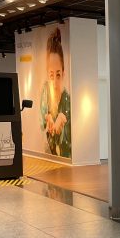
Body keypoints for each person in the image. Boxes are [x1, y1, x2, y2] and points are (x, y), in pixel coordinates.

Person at [39, 26, 71, 158]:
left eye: (58, 75)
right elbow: (43, 115)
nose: (54, 82)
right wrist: (47, 117)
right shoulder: (46, 89)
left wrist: (63, 117)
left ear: (63, 73)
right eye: (51, 75)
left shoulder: (66, 97)